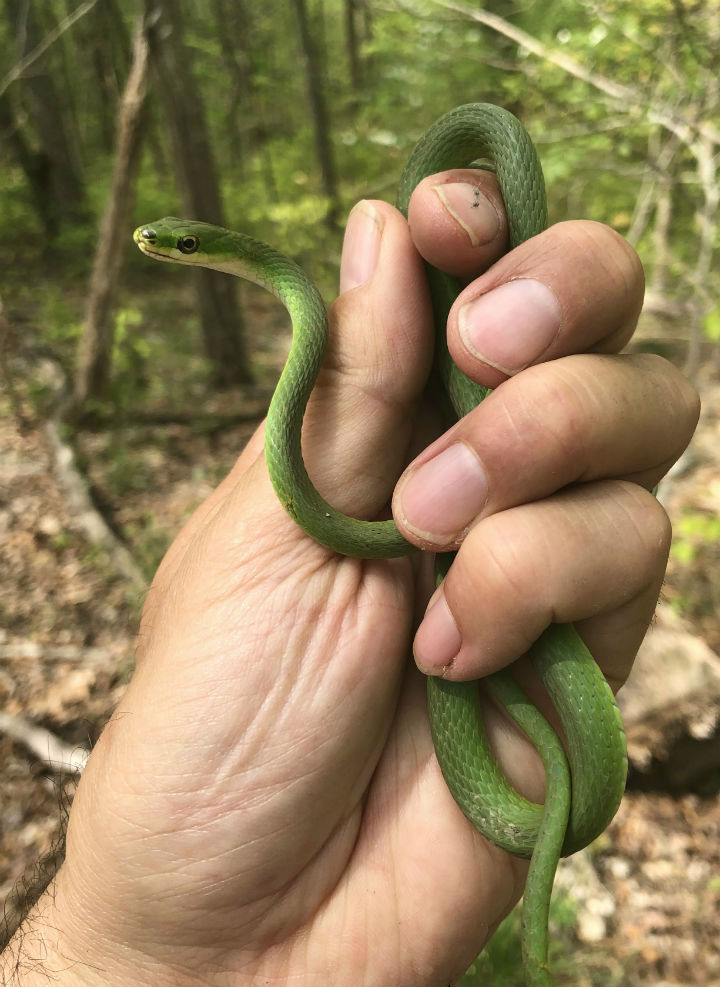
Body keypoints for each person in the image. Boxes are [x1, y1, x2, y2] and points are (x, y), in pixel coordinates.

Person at [1, 170, 698, 987]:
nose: (162, 250)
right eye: (174, 245)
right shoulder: (303, 332)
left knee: (503, 353)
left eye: (179, 245)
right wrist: (132, 948)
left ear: (217, 251)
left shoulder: (315, 317)